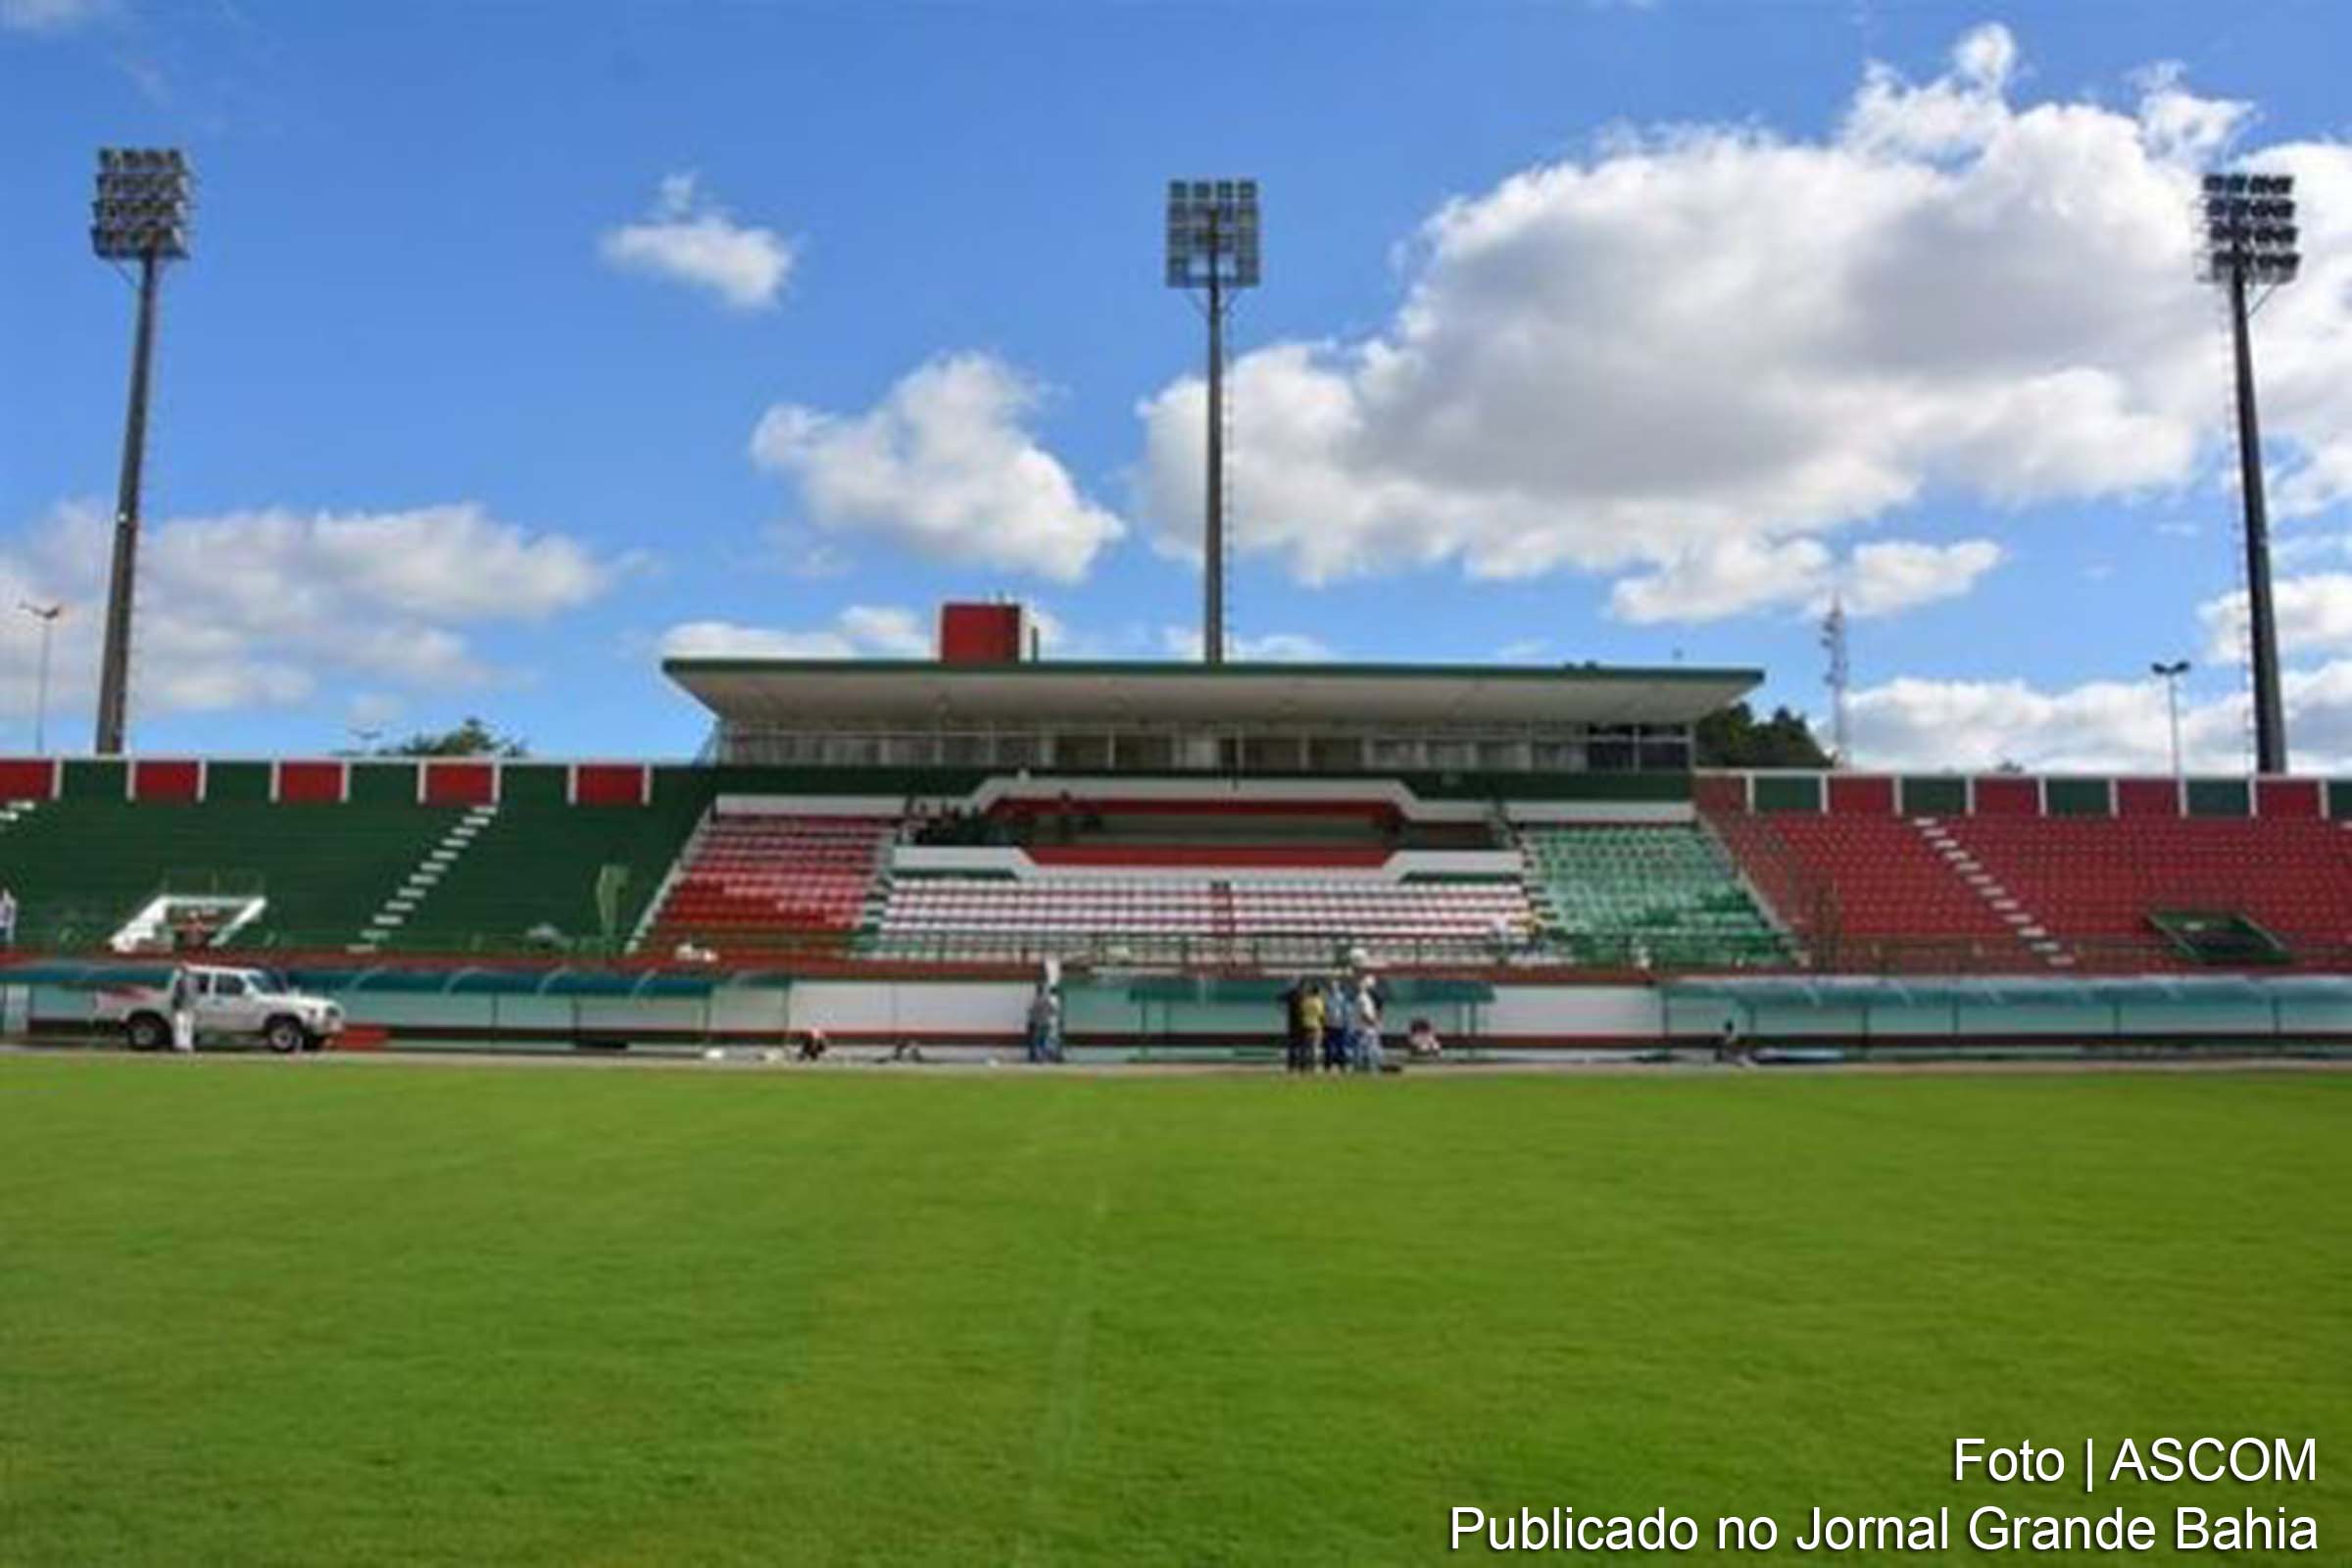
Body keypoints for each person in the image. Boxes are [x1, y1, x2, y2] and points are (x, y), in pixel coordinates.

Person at [1298, 981, 1326, 1076]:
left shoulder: (1306, 1000)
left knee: (1306, 1047)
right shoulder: (1318, 1001)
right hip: (1316, 1025)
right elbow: (1321, 1015)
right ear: (1318, 992)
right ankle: (1314, 1067)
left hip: (1306, 1025)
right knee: (1314, 1048)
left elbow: (1301, 1011)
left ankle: (1304, 1066)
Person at [168, 964, 197, 1054]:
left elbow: (176, 994)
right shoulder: (194, 981)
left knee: (179, 1027)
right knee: (188, 1027)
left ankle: (179, 1045)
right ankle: (188, 1045)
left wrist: (174, 1005)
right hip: (190, 1007)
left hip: (181, 1007)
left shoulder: (180, 981)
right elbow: (195, 994)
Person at [0, 884, 16, 949]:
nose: (5, 894)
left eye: (6, 893)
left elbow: (10, 910)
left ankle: (10, 947)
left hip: (9, 921)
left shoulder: (12, 901)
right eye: (4, 893)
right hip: (2, 921)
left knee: (9, 936)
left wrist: (5, 917)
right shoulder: (1, 902)